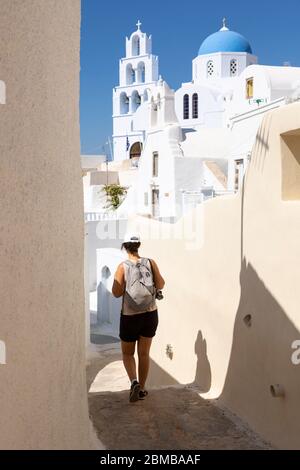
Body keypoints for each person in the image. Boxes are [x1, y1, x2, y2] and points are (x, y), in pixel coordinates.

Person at [112, 233, 165, 403]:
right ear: (139, 245)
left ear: (125, 246)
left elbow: (116, 292)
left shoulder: (123, 267)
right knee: (144, 354)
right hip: (150, 314)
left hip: (130, 317)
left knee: (128, 354)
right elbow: (161, 283)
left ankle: (133, 381)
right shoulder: (150, 262)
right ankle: (142, 389)